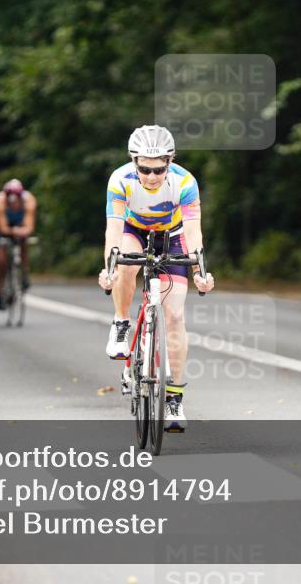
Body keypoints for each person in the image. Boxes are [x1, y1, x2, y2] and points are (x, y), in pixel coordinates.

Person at [98, 124, 215, 433]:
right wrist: (109, 268)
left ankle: (174, 397)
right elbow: (113, 229)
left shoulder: (185, 182)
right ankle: (122, 322)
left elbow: (193, 231)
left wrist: (199, 271)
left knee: (175, 315)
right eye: (144, 169)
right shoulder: (120, 180)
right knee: (126, 264)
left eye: (158, 169)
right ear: (133, 161)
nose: (150, 176)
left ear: (170, 161)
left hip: (172, 236)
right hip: (133, 231)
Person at [0, 178, 37, 310]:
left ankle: (25, 274)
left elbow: (29, 226)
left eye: (16, 200)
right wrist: (12, 231)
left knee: (24, 241)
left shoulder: (29, 201)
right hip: (2, 225)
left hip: (19, 223)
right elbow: (4, 228)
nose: (13, 203)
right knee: (1, 260)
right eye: (10, 200)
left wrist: (22, 231)